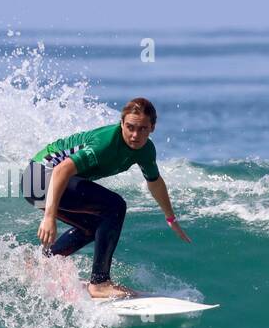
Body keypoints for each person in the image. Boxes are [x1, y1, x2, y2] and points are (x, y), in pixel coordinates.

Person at [21, 98, 191, 299]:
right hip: (40, 178)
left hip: (44, 181)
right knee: (115, 206)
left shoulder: (145, 151)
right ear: (122, 123)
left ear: (152, 127)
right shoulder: (106, 143)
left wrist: (170, 218)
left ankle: (43, 263)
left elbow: (154, 181)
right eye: (130, 127)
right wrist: (49, 217)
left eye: (143, 129)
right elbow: (61, 170)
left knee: (94, 227)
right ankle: (100, 283)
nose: (135, 135)